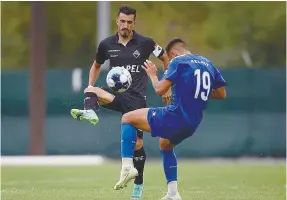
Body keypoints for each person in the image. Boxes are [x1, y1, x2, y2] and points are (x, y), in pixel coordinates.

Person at [70, 5, 170, 199]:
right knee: (90, 90)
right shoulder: (106, 44)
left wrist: (167, 84)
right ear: (117, 21)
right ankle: (90, 110)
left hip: (137, 100)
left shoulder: (146, 43)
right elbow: (96, 65)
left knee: (138, 145)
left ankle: (138, 187)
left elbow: (165, 56)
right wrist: (91, 86)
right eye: (122, 21)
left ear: (134, 23)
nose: (125, 25)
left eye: (129, 22)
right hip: (118, 95)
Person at [113, 38, 227, 200]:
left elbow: (160, 90)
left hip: (176, 116)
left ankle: (126, 166)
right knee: (165, 144)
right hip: (193, 122)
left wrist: (153, 75)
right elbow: (222, 94)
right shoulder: (208, 64)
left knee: (127, 118)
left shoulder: (178, 61)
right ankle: (173, 193)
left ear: (173, 54)